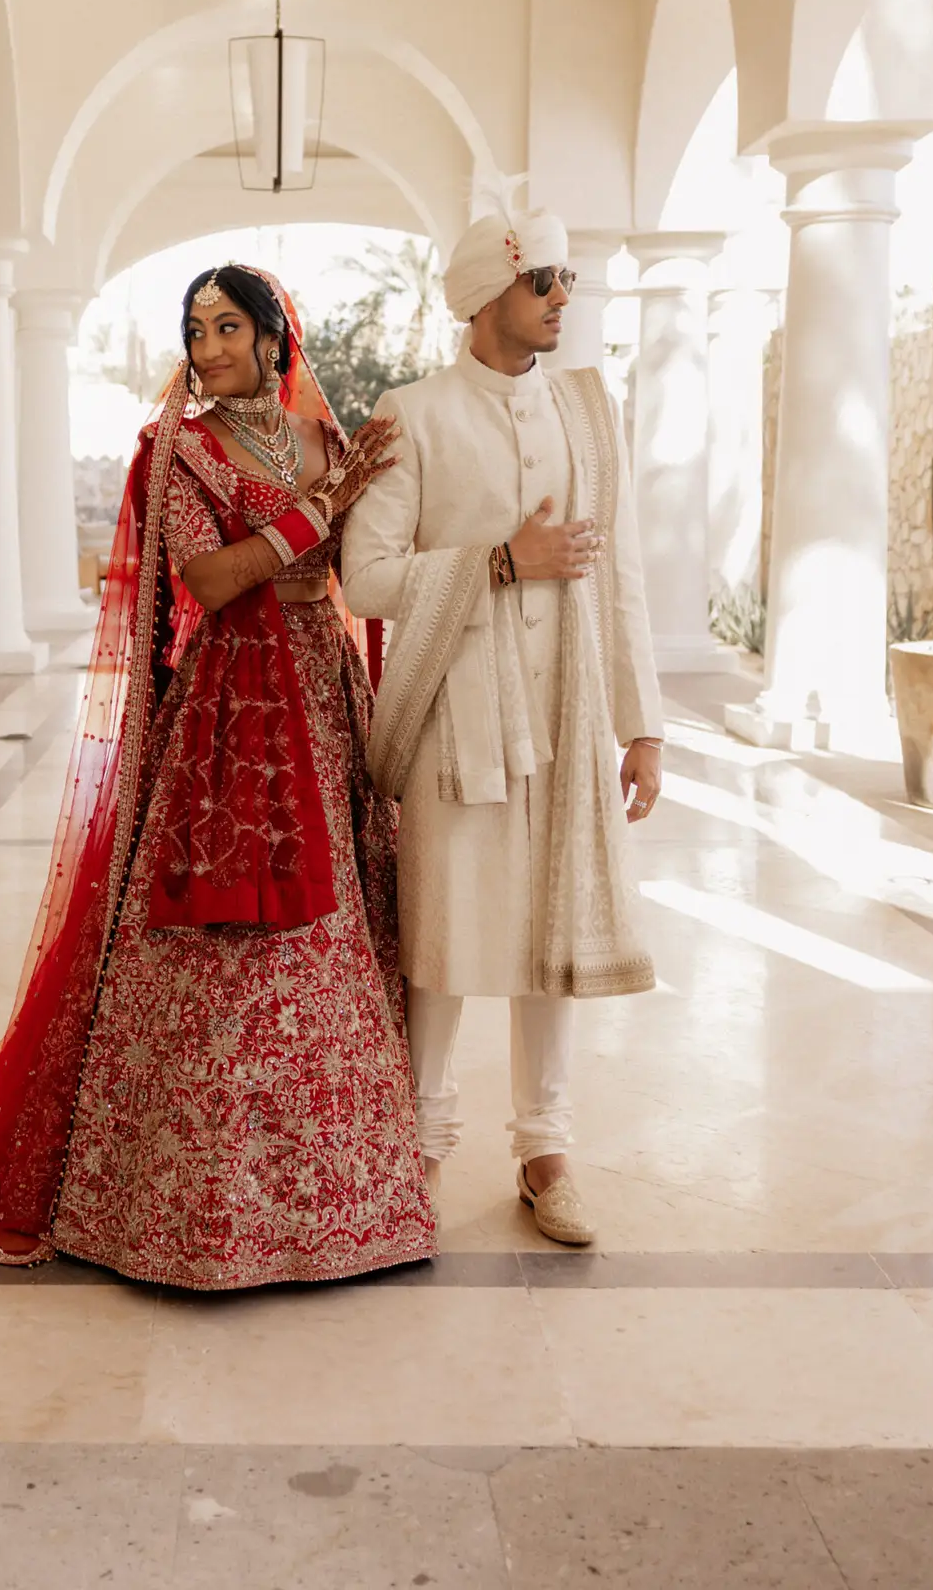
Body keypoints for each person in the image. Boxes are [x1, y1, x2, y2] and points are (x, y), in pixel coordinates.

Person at [0, 263, 435, 1289]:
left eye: (228, 327)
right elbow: (211, 582)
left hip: (325, 703)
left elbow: (368, 571)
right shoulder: (179, 449)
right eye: (196, 329)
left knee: (342, 925)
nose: (208, 347)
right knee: (225, 944)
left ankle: (345, 1196)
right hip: (234, 713)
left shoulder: (329, 440)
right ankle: (185, 1203)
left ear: (274, 337)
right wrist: (322, 508)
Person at [341, 188, 664, 1247]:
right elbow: (365, 576)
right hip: (457, 712)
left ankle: (545, 1150)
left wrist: (642, 726)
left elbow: (619, 575)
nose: (563, 296)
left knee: (551, 927)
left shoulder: (587, 413)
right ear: (487, 296)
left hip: (567, 707)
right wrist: (498, 561)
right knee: (445, 928)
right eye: (542, 281)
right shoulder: (413, 414)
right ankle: (421, 1145)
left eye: (566, 278)